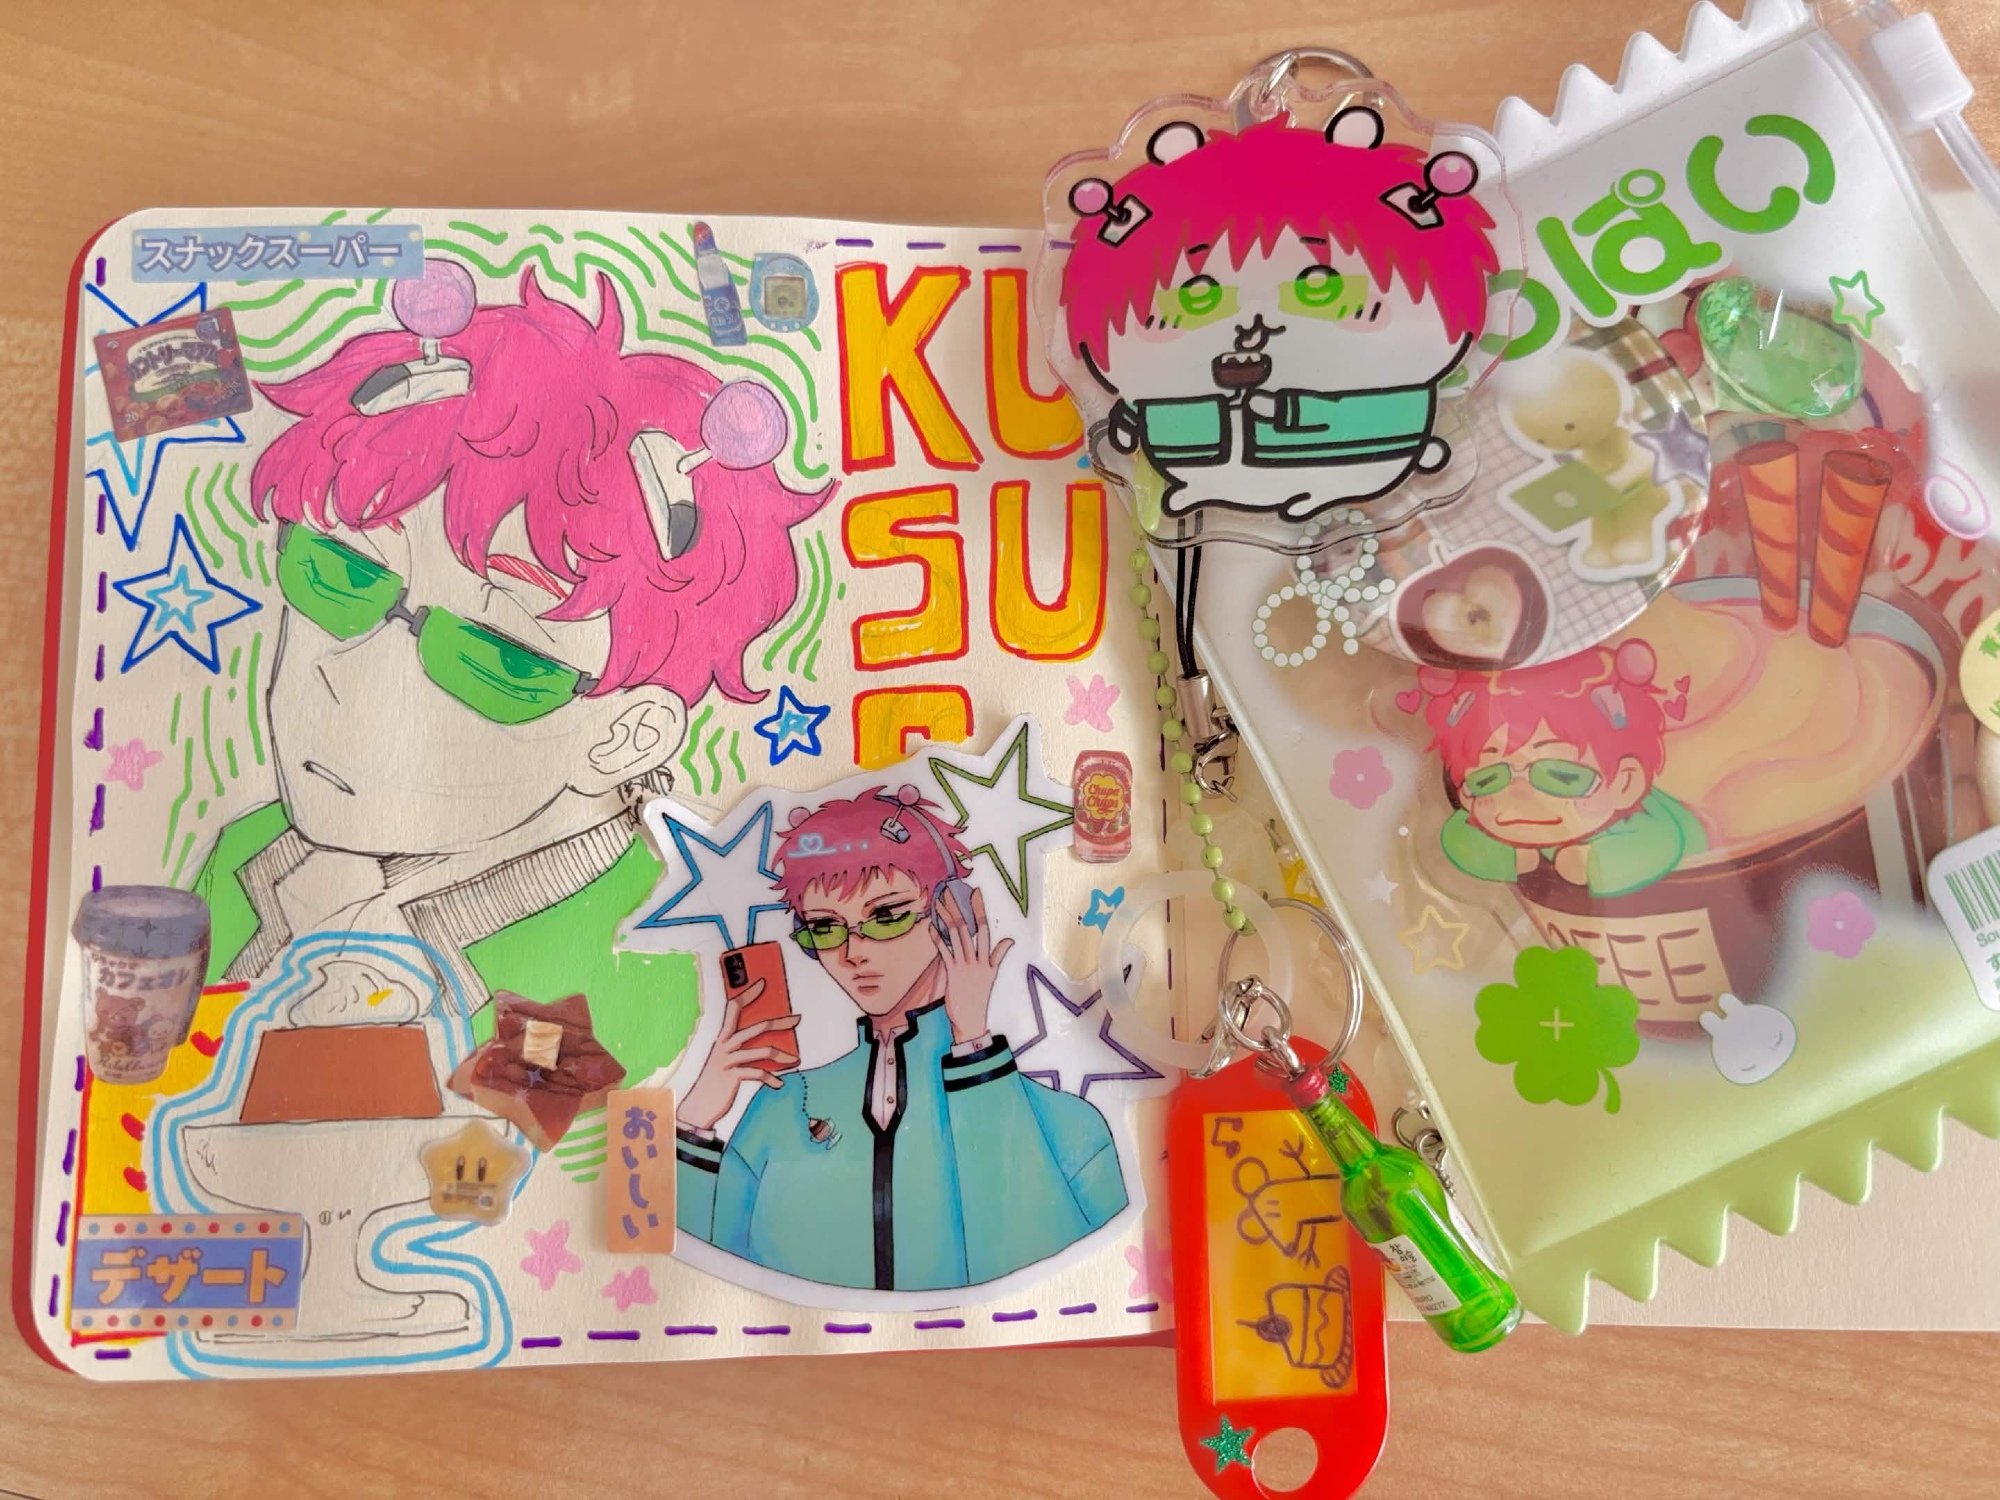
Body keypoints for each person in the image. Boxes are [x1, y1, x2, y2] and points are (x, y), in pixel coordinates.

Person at [191, 268, 831, 1040]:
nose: (355, 681)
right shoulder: (255, 859)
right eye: (337, 574)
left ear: (626, 736)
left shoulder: (665, 956)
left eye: (492, 657)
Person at [674, 786, 1128, 1292]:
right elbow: (685, 1273)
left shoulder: (1068, 1128)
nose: (852, 953)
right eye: (824, 928)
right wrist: (691, 1124)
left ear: (951, 914)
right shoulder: (778, 1111)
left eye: (887, 917)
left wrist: (974, 1048)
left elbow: (1042, 1275)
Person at [1059, 108, 1497, 522]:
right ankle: (1206, 484)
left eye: (1323, 289)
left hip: (1364, 457)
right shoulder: (1170, 389)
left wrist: (1286, 409)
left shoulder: (1385, 382)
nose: (1254, 324)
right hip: (1210, 471)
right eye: (1197, 298)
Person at [1419, 640, 1706, 898]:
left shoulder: (1642, 818)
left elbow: (1663, 841)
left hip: (1692, 891)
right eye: (1488, 779)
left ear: (1625, 783)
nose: (1519, 791)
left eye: (1560, 776)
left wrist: (1591, 863)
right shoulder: (1486, 813)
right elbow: (1457, 835)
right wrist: (1507, 856)